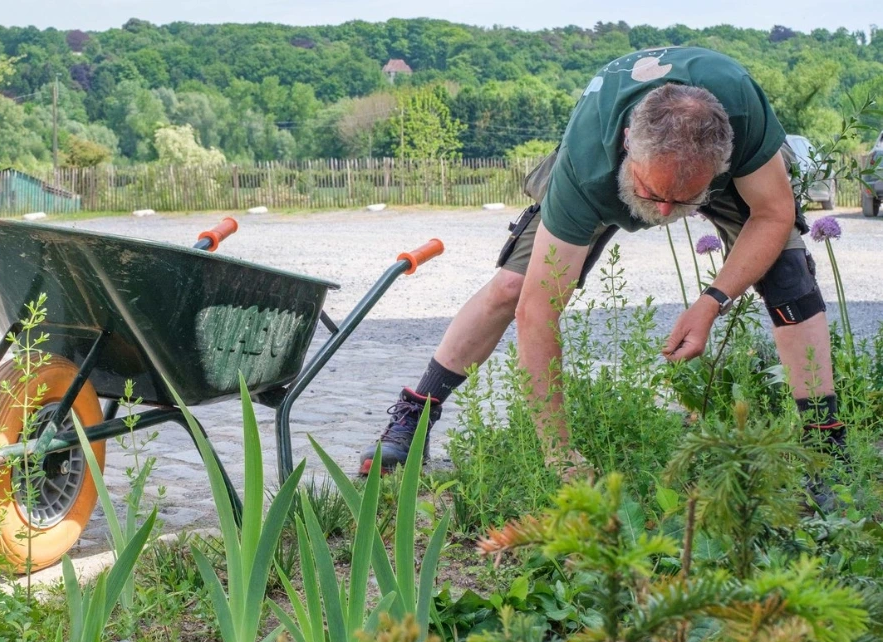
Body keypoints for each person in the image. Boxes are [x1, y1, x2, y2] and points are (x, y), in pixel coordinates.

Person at [359, 46, 844, 488]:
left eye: (684, 201)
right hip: (599, 166)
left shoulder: (740, 106)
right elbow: (539, 312)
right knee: (515, 286)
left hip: (705, 156)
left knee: (790, 277)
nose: (663, 213)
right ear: (630, 142)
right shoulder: (587, 162)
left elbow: (773, 214)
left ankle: (827, 447)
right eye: (653, 194)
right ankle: (415, 413)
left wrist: (712, 301)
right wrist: (559, 453)